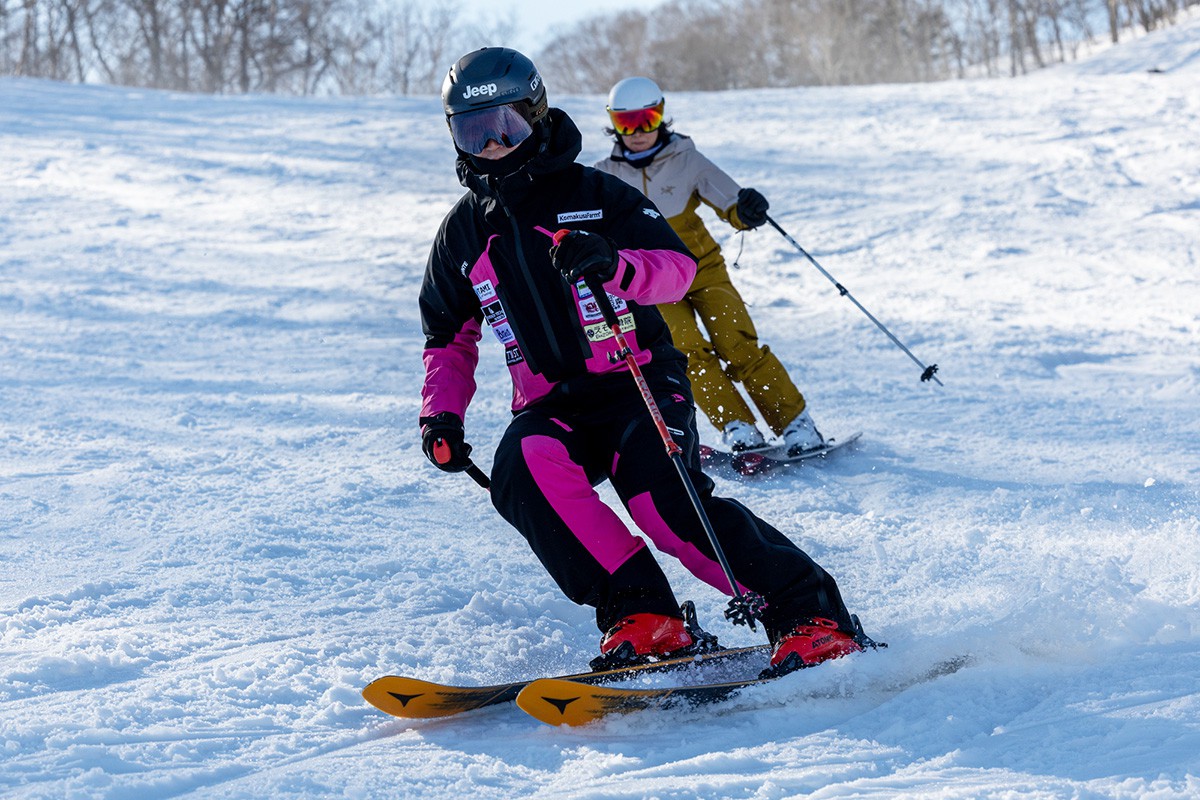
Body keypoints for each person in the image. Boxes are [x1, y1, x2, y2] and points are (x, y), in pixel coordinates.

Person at [419, 46, 866, 673]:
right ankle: (644, 614)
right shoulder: (463, 232)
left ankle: (808, 613)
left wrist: (615, 262)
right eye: (474, 132)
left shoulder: (599, 193)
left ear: (535, 115)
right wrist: (441, 417)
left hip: (637, 385)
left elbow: (679, 270)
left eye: (505, 127)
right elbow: (448, 334)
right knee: (521, 468)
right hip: (552, 405)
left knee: (663, 502)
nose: (492, 145)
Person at [594, 76, 824, 457]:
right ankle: (737, 424)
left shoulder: (687, 159)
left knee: (736, 341)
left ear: (661, 115)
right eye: (626, 122)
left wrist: (745, 208)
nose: (638, 132)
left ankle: (795, 422)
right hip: (655, 282)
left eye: (647, 119)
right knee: (685, 351)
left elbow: (730, 201)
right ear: (613, 123)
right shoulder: (606, 174)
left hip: (704, 269)